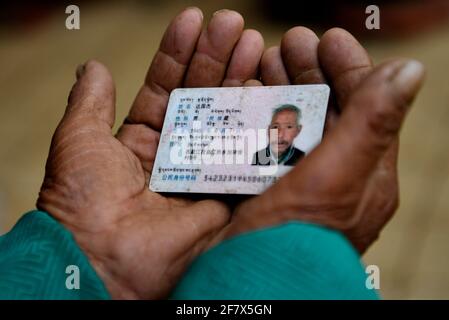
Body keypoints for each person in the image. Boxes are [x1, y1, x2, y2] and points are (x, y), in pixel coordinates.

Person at [0, 7, 424, 299]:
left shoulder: (292, 164)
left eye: (288, 126)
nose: (280, 131)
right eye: (276, 124)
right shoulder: (256, 162)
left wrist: (68, 260)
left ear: (296, 129)